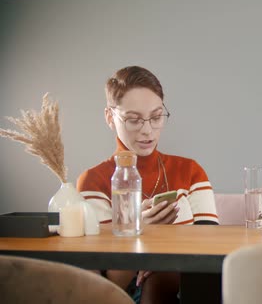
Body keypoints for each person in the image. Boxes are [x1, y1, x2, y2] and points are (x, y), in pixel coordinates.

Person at [77, 66, 218, 303]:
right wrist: (139, 234)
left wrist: (163, 259)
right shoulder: (94, 182)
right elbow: (108, 285)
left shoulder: (190, 171)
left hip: (188, 285)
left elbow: (210, 253)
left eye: (156, 117)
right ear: (110, 117)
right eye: (133, 120)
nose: (147, 130)